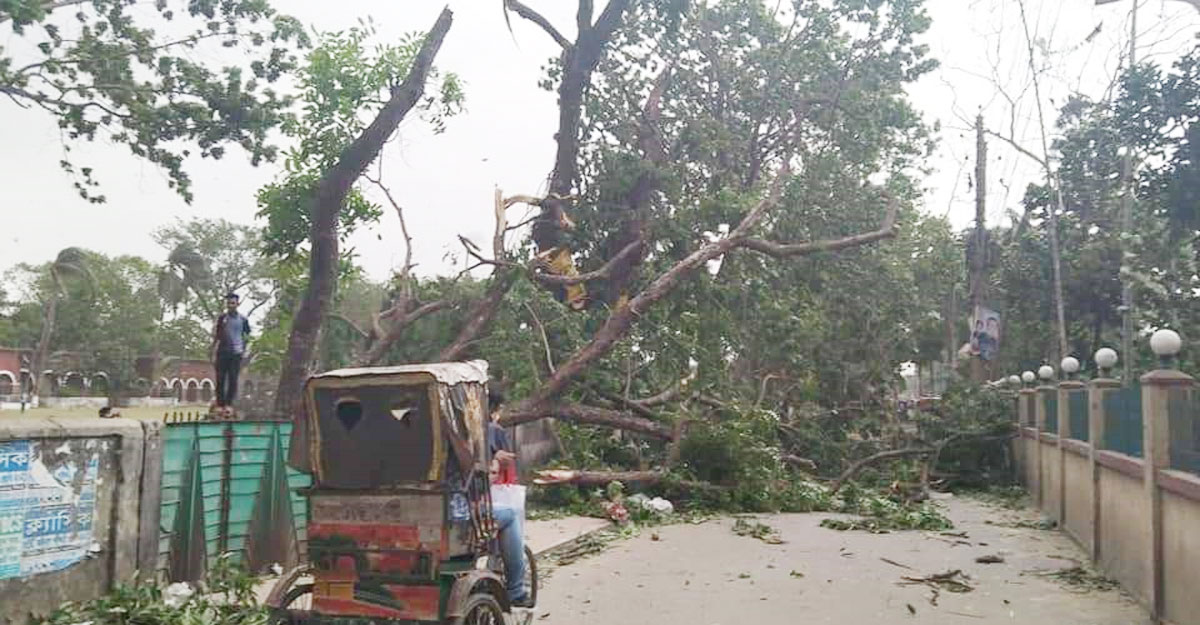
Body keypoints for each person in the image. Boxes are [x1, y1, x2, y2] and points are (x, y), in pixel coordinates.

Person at [486, 385, 532, 608]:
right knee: (510, 515)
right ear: (495, 408)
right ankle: (515, 590)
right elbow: (503, 468)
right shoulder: (491, 430)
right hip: (466, 510)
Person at [211, 292, 250, 417]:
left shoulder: (243, 320)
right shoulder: (222, 318)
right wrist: (213, 351)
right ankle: (220, 404)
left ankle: (229, 404)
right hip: (223, 352)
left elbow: (247, 335)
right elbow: (217, 336)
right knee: (220, 379)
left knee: (233, 378)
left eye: (233, 303)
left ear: (237, 304)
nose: (230, 305)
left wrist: (244, 349)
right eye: (228, 303)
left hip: (236, 353)